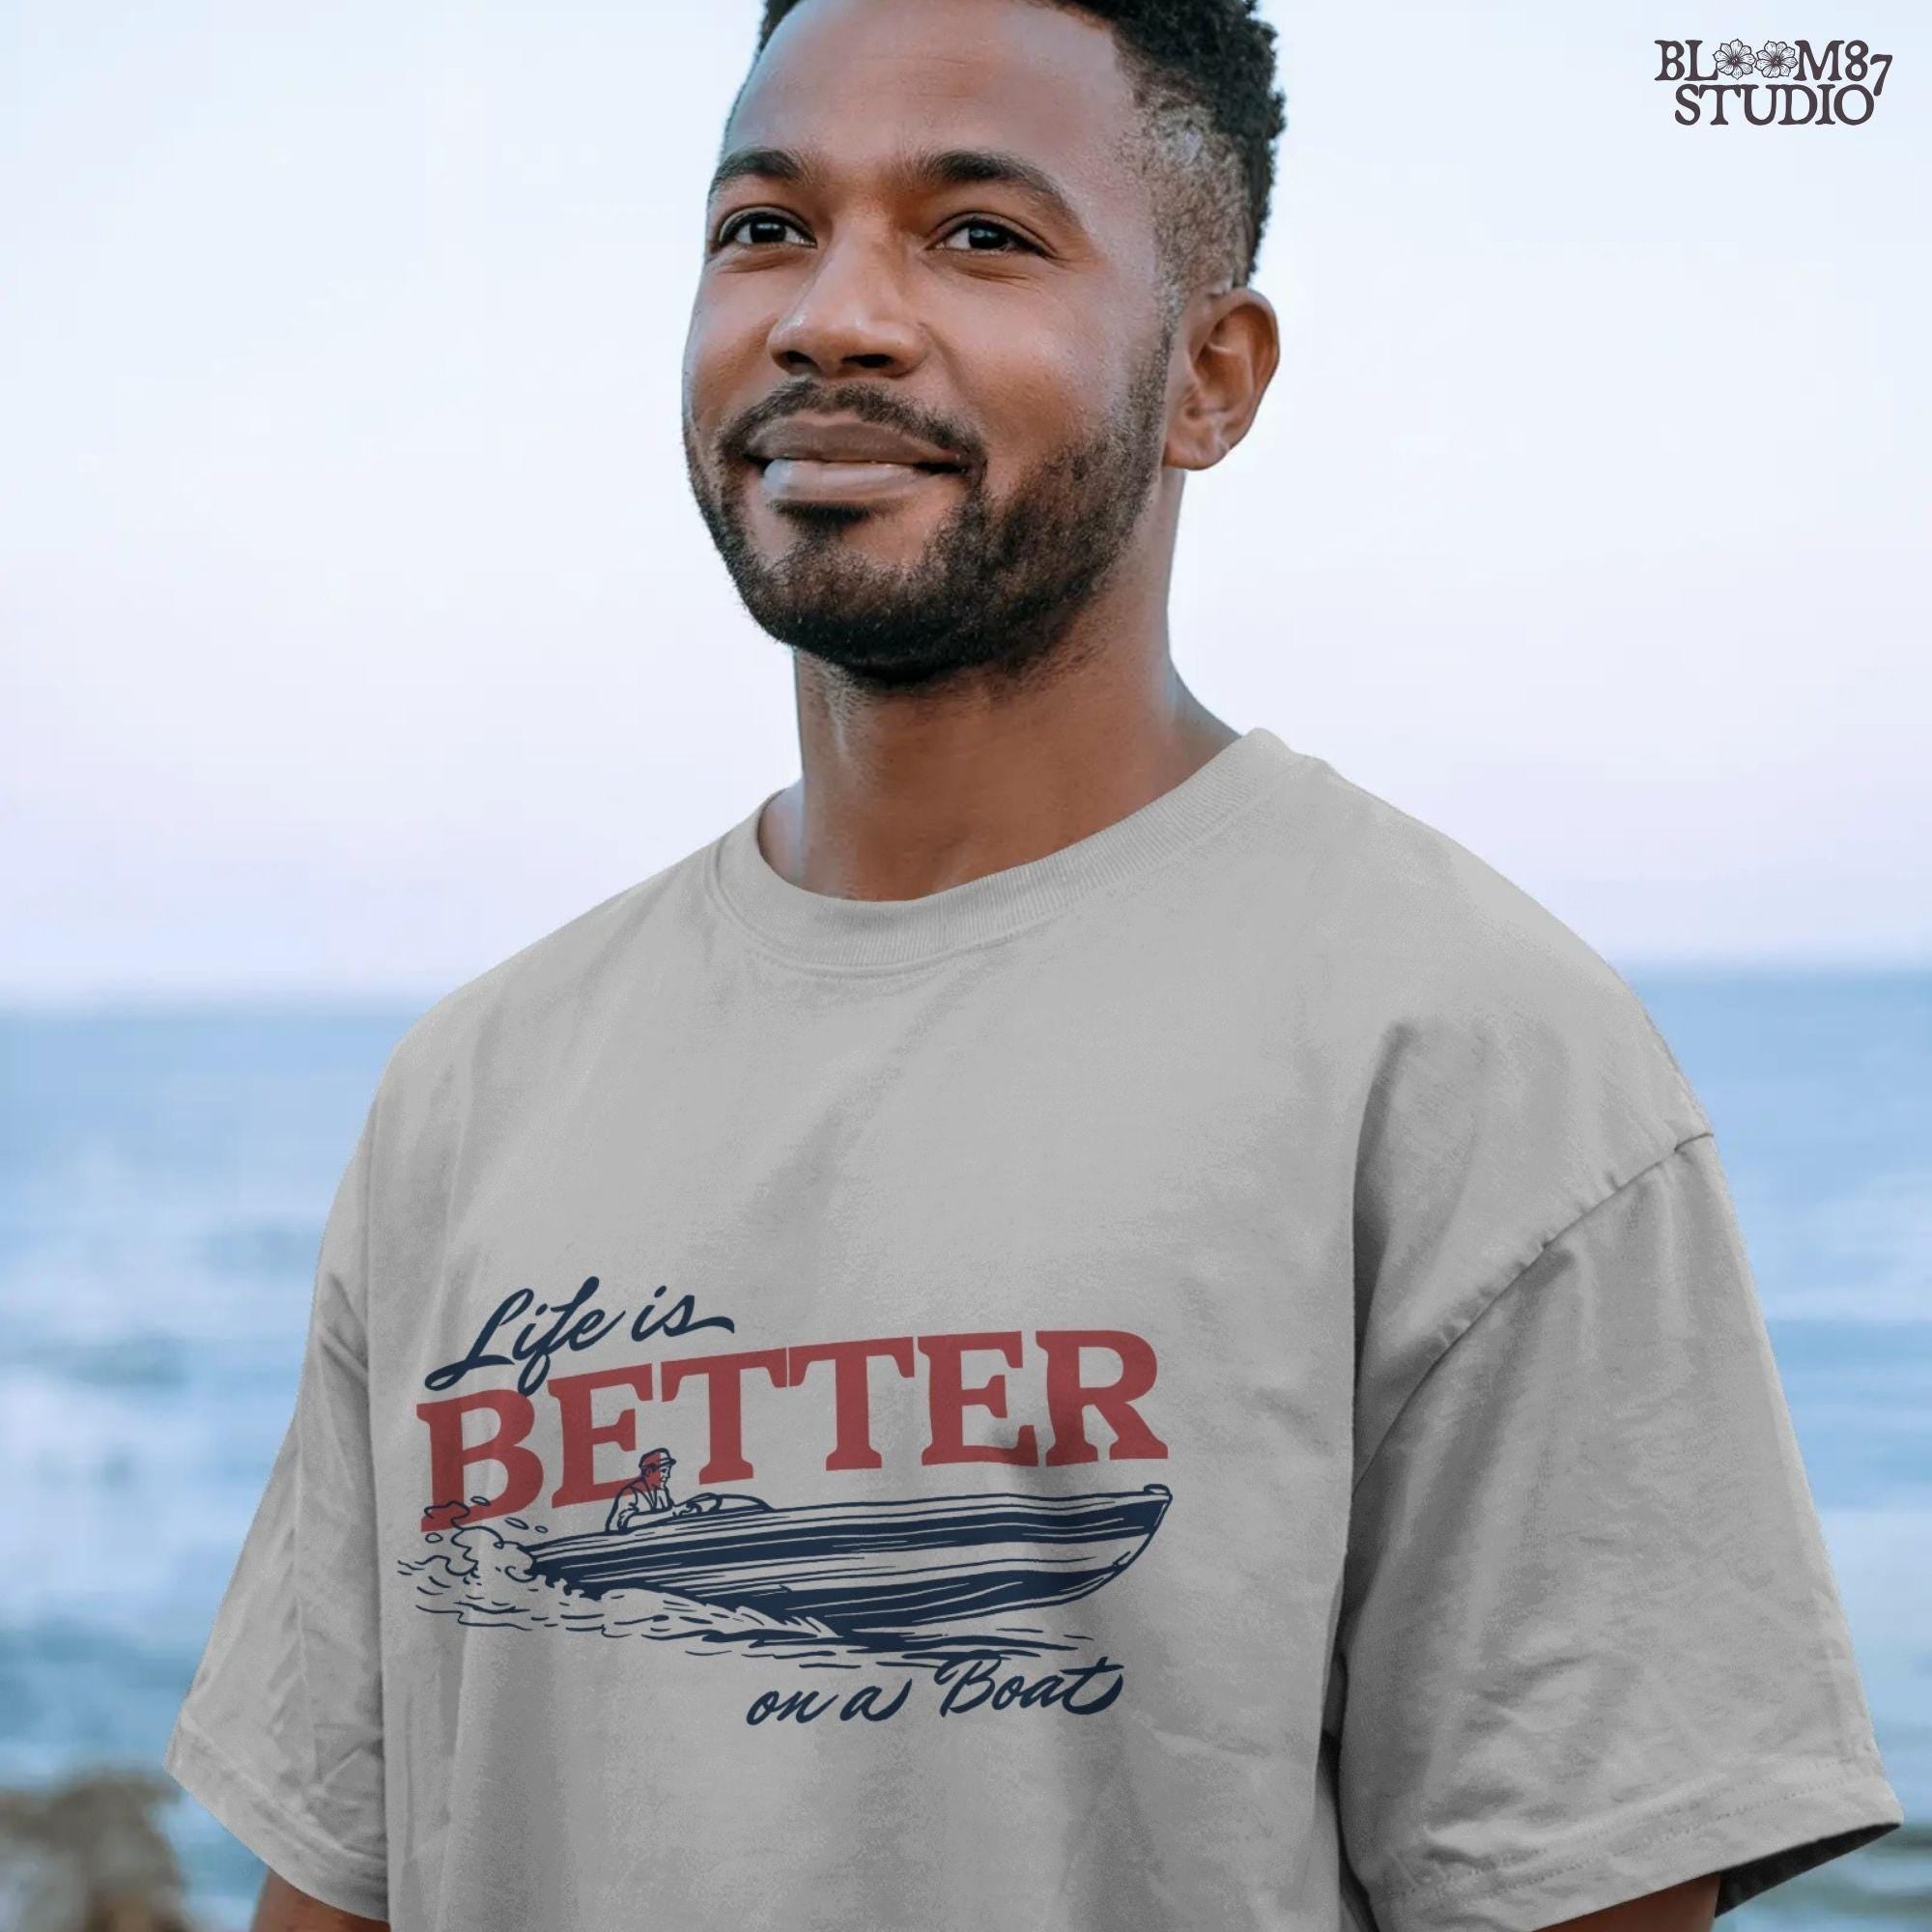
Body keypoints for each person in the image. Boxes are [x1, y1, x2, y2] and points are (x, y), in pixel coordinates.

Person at [164, 2, 1902, 1929]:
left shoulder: (1468, 1055)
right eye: (764, 227)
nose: (834, 313)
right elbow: (337, 1874)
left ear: (1210, 377)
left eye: (978, 235)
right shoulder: (471, 1091)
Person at [606, 1447, 680, 1531]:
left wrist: (683, 1509)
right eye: (663, 1471)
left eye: (668, 1471)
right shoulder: (630, 1492)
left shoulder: (661, 1491)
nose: (668, 1476)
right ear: (648, 1472)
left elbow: (671, 1511)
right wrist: (673, 1513)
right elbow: (624, 1523)